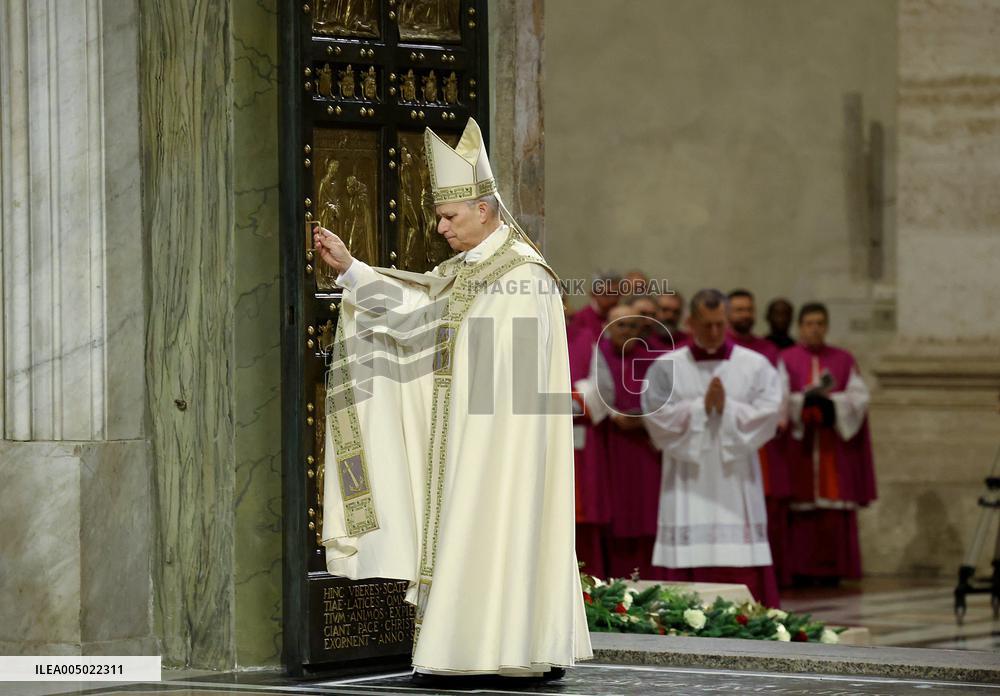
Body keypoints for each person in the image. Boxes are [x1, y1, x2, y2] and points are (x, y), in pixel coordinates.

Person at [313, 117, 592, 681]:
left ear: (483, 210)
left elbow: (506, 383)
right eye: (439, 216)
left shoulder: (522, 276)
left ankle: (499, 653)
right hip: (467, 434)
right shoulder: (471, 270)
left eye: (449, 216)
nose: (440, 227)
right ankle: (470, 650)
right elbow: (424, 316)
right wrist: (352, 271)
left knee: (494, 530)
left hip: (500, 446)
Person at [640, 289, 782, 607]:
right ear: (690, 322)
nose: (715, 332)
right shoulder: (666, 367)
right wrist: (700, 408)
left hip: (736, 476)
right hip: (687, 478)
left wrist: (726, 408)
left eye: (720, 324)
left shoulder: (755, 365)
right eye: (707, 325)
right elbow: (655, 418)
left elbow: (770, 413)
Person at [779, 303, 876, 586]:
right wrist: (803, 402)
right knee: (802, 508)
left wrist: (832, 404)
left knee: (833, 508)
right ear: (800, 327)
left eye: (820, 323)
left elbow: (859, 399)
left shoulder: (843, 359)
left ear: (827, 326)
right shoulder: (786, 359)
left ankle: (833, 571)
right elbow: (778, 399)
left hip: (833, 447)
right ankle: (800, 570)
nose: (815, 329)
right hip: (801, 447)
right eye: (809, 323)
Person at [577, 304, 663, 579]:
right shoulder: (598, 354)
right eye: (620, 325)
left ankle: (650, 577)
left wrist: (646, 419)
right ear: (607, 327)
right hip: (611, 443)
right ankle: (618, 578)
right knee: (617, 513)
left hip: (646, 443)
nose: (626, 331)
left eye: (632, 325)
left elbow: (666, 397)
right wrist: (614, 414)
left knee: (647, 511)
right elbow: (595, 394)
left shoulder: (653, 355)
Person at [726, 289, 788, 583]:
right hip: (726, 439)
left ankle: (763, 575)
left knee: (763, 505)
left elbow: (779, 393)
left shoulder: (767, 350)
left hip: (761, 439)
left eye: (749, 309)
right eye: (739, 309)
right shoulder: (721, 349)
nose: (745, 315)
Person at [568, 271, 620, 345]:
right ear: (593, 294)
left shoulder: (623, 317)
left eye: (617, 294)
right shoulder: (580, 319)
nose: (613, 299)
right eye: (607, 294)